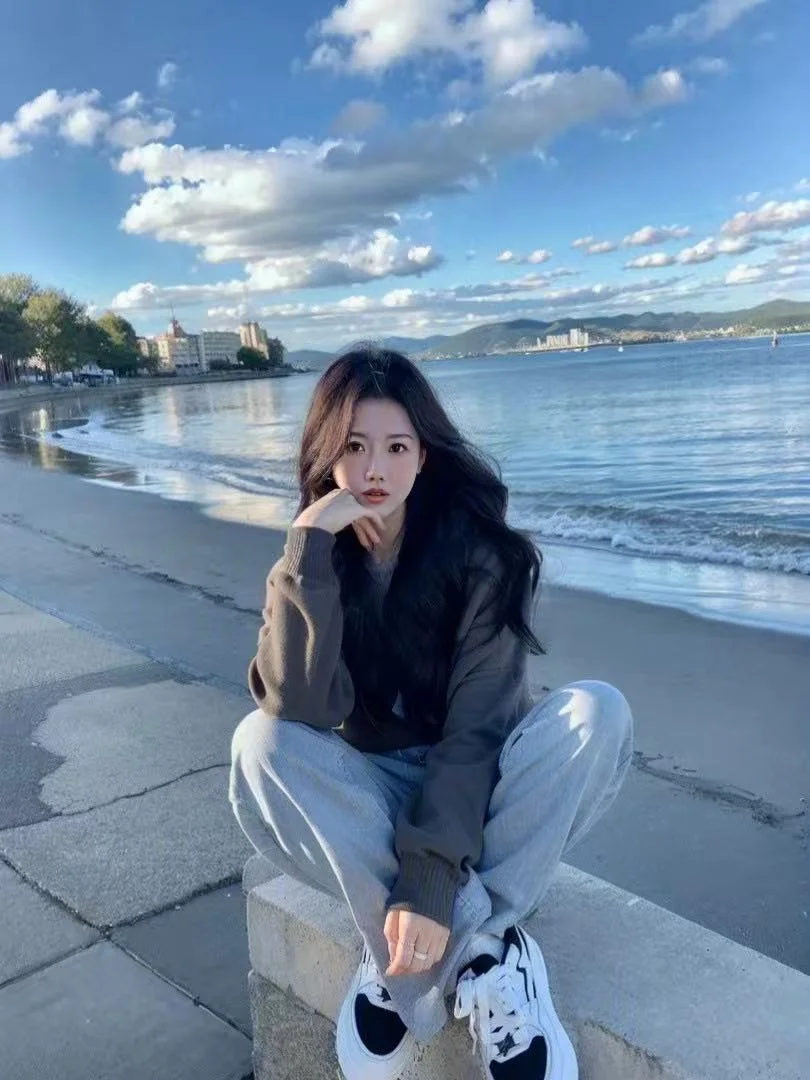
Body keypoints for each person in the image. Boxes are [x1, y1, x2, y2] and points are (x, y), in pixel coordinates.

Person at [229, 347, 634, 1080]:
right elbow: (298, 707)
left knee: (597, 713)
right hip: (373, 794)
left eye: (396, 447)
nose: (374, 470)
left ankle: (404, 954)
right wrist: (310, 548)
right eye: (354, 446)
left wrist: (429, 879)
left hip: (481, 783)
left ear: (424, 456)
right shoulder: (310, 561)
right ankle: (485, 950)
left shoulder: (482, 557)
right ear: (326, 453)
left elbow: (478, 731)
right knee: (258, 744)